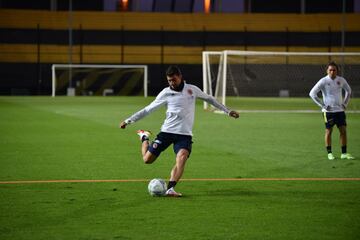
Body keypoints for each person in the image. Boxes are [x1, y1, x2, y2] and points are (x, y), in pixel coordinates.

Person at [120, 65, 239, 197]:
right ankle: (144, 137)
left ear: (180, 77)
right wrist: (128, 120)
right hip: (166, 132)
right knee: (147, 160)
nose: (172, 83)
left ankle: (170, 188)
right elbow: (148, 109)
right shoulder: (165, 93)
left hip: (184, 135)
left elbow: (209, 98)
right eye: (169, 80)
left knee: (182, 157)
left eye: (174, 80)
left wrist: (227, 111)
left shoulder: (192, 89)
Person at [309, 61, 354, 160]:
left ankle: (344, 153)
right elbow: (312, 93)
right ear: (327, 71)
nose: (332, 72)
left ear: (337, 71)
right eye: (330, 70)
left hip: (340, 111)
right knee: (329, 131)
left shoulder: (341, 80)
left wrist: (345, 104)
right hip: (328, 112)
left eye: (334, 70)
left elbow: (349, 90)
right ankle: (329, 153)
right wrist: (322, 105)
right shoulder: (323, 81)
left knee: (343, 131)